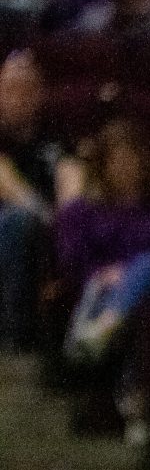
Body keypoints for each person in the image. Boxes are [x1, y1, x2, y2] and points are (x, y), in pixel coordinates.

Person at [54, 116, 150, 429]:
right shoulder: (80, 212)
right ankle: (124, 394)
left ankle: (99, 331)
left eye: (131, 159)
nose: (125, 167)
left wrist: (127, 273)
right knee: (116, 292)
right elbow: (71, 260)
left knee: (148, 265)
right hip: (104, 291)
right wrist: (102, 274)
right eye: (117, 160)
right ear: (103, 165)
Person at [0, 50, 66, 351]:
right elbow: (9, 186)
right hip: (16, 228)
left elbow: (71, 185)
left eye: (27, 88)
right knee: (18, 222)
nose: (19, 96)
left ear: (40, 94)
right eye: (11, 88)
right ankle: (14, 340)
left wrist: (66, 223)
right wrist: (50, 220)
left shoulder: (55, 140)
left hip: (45, 235)